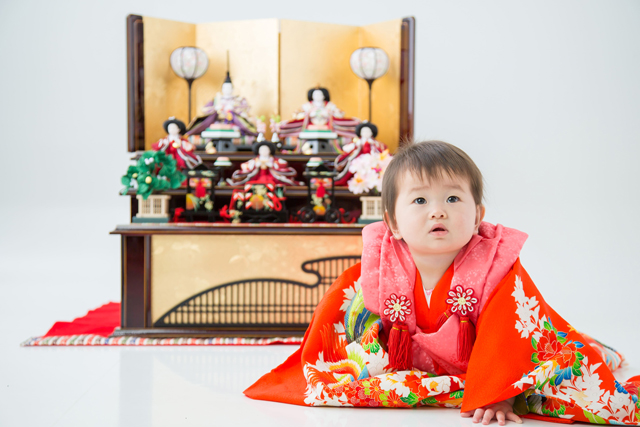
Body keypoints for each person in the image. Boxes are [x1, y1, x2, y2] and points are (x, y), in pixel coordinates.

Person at [244, 141, 640, 425]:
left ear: (478, 213)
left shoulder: (496, 267)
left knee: (572, 365)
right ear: (393, 222)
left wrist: (498, 394)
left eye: (453, 199)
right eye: (420, 201)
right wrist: (343, 359)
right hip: (422, 364)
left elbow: (513, 329)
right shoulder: (382, 263)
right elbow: (342, 309)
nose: (438, 211)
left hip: (490, 364)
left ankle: (593, 349)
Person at [226, 134, 304, 187]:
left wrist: (271, 166)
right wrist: (256, 166)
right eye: (262, 150)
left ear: (270, 151)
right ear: (258, 151)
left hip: (272, 179)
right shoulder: (255, 160)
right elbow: (245, 166)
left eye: (266, 150)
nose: (264, 152)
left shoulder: (275, 161)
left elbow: (284, 166)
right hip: (257, 178)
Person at [334, 122, 388, 186]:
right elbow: (346, 148)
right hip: (359, 159)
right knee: (352, 167)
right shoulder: (357, 141)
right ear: (360, 133)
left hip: (371, 160)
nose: (366, 133)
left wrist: (373, 144)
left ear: (372, 133)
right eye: (364, 131)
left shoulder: (374, 142)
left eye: (368, 131)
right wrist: (356, 145)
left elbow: (382, 149)